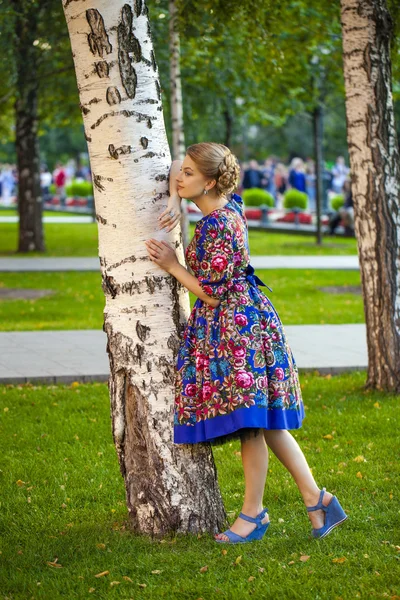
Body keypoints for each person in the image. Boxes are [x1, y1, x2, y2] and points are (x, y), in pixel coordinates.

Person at [144, 142, 348, 544]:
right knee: (262, 422)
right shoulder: (231, 206)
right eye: (182, 171)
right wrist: (173, 192)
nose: (179, 176)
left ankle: (255, 515)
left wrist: (172, 266)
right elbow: (169, 166)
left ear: (211, 181)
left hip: (235, 328)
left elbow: (212, 293)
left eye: (188, 173)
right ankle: (317, 500)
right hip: (248, 321)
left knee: (254, 425)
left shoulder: (216, 225)